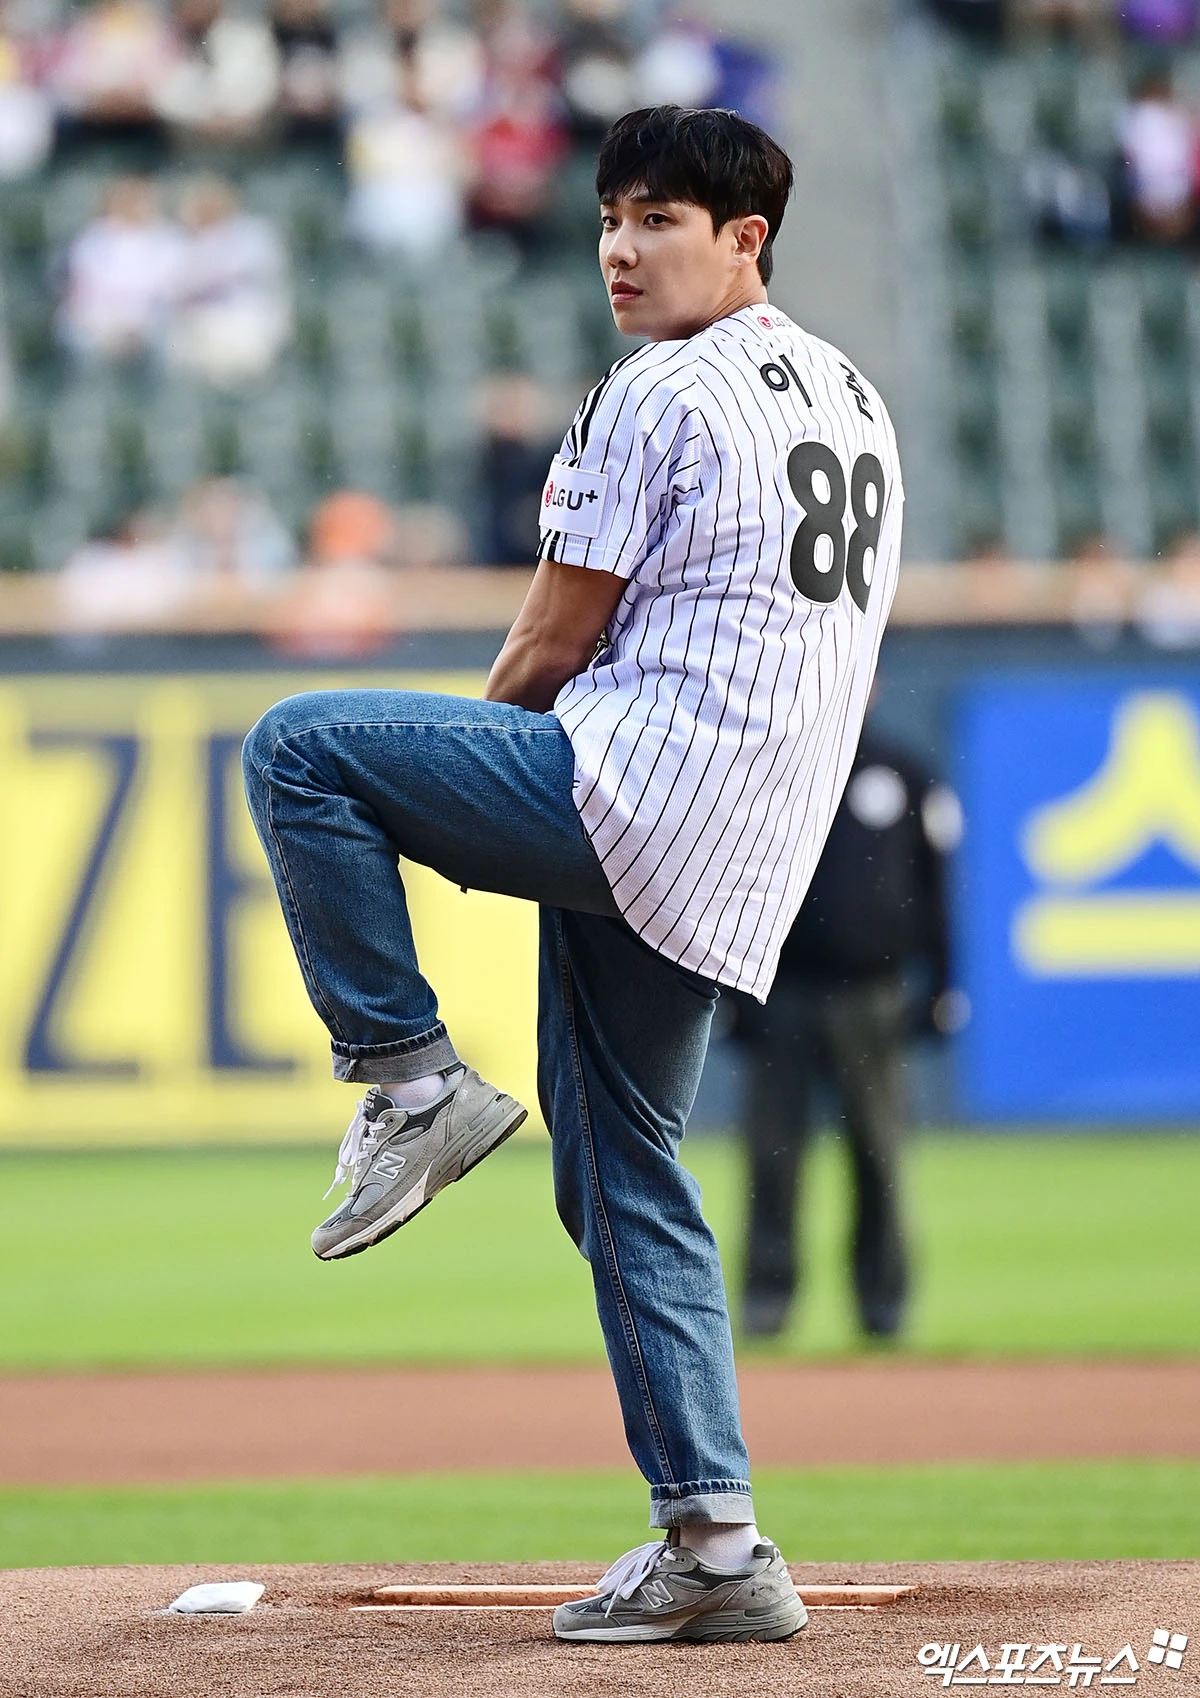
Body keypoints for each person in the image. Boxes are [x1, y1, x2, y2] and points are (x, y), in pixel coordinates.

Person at [242, 103, 903, 1645]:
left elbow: (548, 641)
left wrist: (469, 800)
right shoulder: (860, 398)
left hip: (636, 783)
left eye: (660, 217)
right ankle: (719, 1547)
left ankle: (410, 1080)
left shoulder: (656, 387)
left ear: (747, 238)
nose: (620, 245)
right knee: (622, 1170)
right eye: (611, 215)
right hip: (749, 840)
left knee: (299, 748)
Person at [737, 717, 964, 1344]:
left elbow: (937, 884)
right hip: (781, 990)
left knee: (877, 1151)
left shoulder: (903, 771)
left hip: (873, 995)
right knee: (773, 1155)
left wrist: (943, 986)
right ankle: (766, 1301)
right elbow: (732, 876)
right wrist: (730, 993)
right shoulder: (772, 763)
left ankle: (882, 1303)